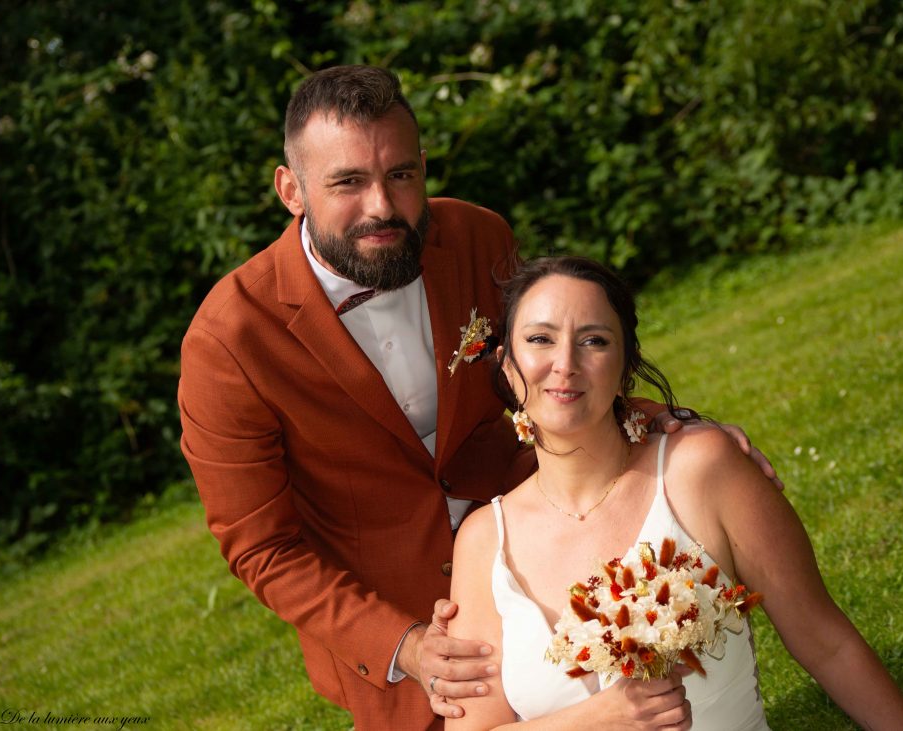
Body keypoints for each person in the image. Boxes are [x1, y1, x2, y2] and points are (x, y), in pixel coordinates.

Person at [178, 65, 778, 730]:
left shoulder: (474, 237)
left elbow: (547, 373)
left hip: (540, 566)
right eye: (347, 182)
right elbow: (263, 548)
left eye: (401, 175)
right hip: (392, 627)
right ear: (290, 189)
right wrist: (404, 643)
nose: (382, 205)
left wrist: (668, 423)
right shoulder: (227, 342)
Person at [446, 256, 903, 729]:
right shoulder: (485, 540)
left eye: (594, 340)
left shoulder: (699, 470)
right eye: (540, 339)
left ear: (625, 365)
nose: (565, 364)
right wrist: (601, 718)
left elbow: (827, 643)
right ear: (508, 366)